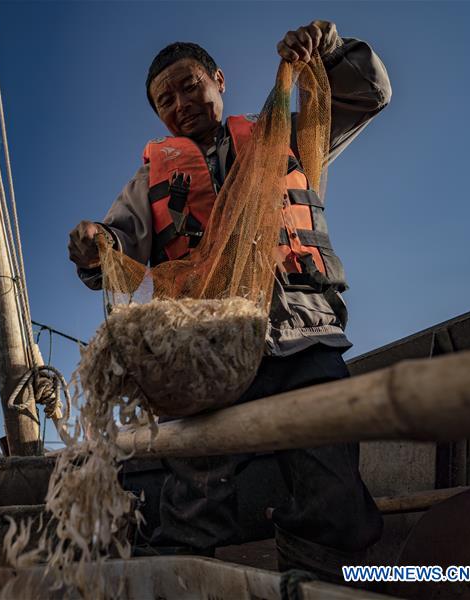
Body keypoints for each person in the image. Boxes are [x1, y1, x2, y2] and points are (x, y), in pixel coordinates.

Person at [67, 21, 390, 581]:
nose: (180, 103)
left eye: (189, 86)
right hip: (210, 357)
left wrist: (328, 49)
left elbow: (369, 91)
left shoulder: (282, 133)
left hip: (304, 336)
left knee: (333, 486)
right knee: (194, 495)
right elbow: (114, 250)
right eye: (165, 99)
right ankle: (178, 580)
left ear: (218, 81)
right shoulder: (149, 182)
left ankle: (322, 581)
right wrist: (95, 247)